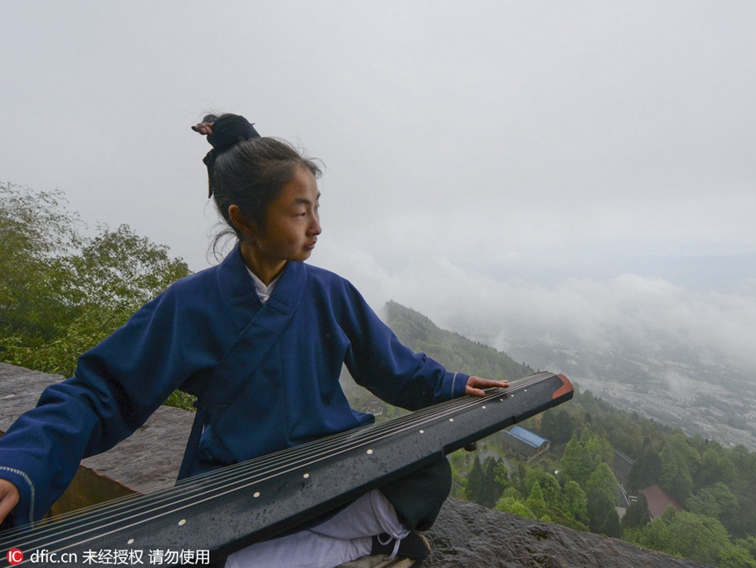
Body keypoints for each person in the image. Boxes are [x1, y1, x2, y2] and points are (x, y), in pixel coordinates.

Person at [0, 113, 507, 566]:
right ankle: (361, 543)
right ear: (243, 218)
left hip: (328, 465)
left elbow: (392, 367)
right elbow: (101, 391)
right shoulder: (190, 305)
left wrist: (453, 385)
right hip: (239, 481)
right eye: (299, 212)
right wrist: (19, 464)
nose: (317, 228)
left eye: (316, 208)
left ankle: (316, 549)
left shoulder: (330, 293)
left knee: (426, 471)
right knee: (197, 537)